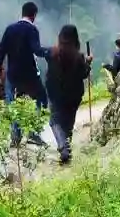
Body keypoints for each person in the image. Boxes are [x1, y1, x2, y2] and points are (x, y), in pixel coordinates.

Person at [0, 1, 49, 146]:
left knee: (13, 103)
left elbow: (1, 51)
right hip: (29, 74)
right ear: (34, 15)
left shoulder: (10, 29)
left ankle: (15, 136)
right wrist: (51, 51)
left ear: (22, 13)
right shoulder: (32, 29)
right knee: (40, 99)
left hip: (12, 74)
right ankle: (33, 133)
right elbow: (37, 50)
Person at [38, 24, 93, 165]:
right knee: (69, 122)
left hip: (56, 93)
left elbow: (40, 51)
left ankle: (63, 148)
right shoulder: (78, 57)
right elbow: (84, 74)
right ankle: (67, 149)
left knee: (55, 121)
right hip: (74, 95)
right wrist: (88, 63)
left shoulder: (52, 53)